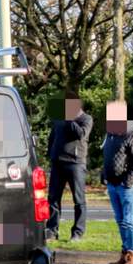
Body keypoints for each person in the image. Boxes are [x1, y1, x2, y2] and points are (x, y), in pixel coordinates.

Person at [100, 101, 133, 264]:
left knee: (129, 220)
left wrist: (128, 180)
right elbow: (108, 156)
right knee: (121, 220)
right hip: (113, 184)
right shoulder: (111, 134)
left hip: (128, 185)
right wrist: (104, 174)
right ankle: (125, 254)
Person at [45, 92, 92, 241]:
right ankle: (52, 230)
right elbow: (53, 137)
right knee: (53, 198)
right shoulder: (59, 118)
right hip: (58, 163)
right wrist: (50, 154)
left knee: (78, 200)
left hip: (75, 163)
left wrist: (70, 119)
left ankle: (77, 232)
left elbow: (81, 134)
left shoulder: (86, 119)